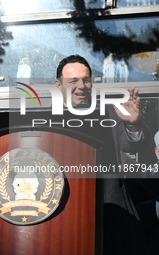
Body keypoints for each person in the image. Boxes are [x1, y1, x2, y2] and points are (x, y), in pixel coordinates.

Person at [55, 55, 150, 255]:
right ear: (58, 85)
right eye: (73, 81)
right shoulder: (43, 120)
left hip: (112, 218)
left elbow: (135, 145)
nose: (81, 86)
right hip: (61, 219)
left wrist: (132, 124)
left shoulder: (110, 113)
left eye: (86, 80)